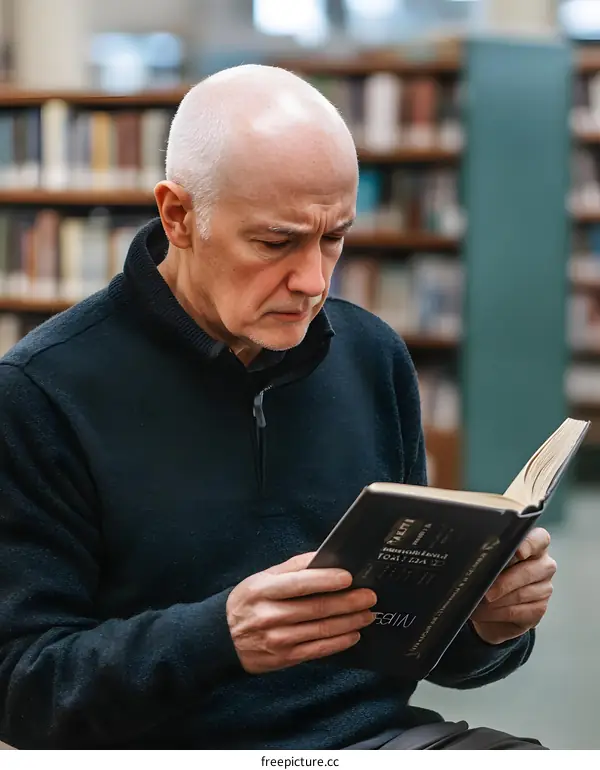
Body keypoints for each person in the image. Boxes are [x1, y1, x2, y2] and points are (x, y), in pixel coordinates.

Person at [0, 65, 556, 750]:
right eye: (275, 242)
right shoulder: (39, 392)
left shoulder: (372, 356)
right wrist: (216, 639)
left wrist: (485, 626)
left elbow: (411, 642)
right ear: (179, 216)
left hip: (376, 743)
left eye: (334, 238)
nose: (313, 281)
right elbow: (22, 691)